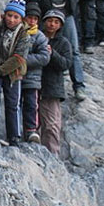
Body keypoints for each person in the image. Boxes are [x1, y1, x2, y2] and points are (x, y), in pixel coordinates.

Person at [0, 0, 31, 146]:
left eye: (16, 17)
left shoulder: (24, 35)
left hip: (13, 72)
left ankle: (14, 135)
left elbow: (18, 58)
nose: (11, 19)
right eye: (9, 15)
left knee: (12, 103)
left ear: (21, 18)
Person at [38, 10, 73, 155]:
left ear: (60, 25)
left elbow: (66, 64)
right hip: (33, 84)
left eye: (56, 22)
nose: (52, 24)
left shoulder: (63, 43)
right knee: (33, 123)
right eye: (49, 20)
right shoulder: (36, 37)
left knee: (51, 125)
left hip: (52, 88)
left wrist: (52, 53)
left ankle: (52, 155)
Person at [20, 2, 51, 144]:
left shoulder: (40, 37)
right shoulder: (17, 32)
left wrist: (21, 60)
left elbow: (44, 57)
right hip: (16, 76)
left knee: (31, 104)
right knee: (14, 104)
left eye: (35, 18)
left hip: (32, 78)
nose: (31, 21)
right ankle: (16, 131)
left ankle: (31, 130)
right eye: (29, 17)